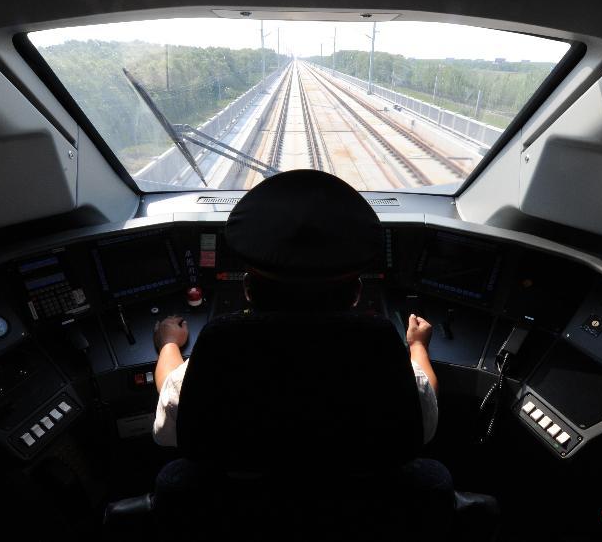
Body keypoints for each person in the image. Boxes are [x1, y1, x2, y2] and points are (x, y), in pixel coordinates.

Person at [150, 170, 439, 447]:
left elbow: (172, 400)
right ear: (356, 294)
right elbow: (425, 407)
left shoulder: (222, 346)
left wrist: (169, 344)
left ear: (248, 290)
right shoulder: (379, 346)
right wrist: (417, 347)